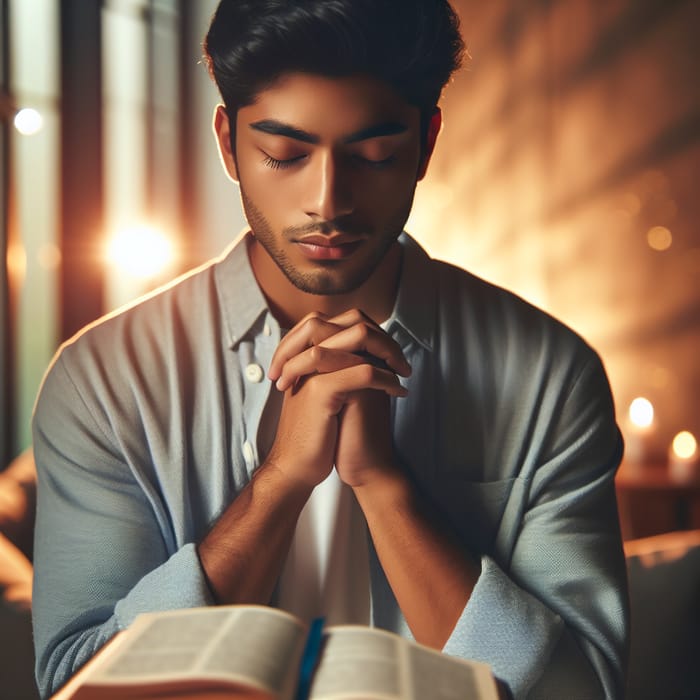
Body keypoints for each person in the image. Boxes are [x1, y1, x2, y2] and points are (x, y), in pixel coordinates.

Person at [31, 1, 629, 698]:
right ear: (227, 143)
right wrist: (279, 484)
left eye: (374, 155)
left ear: (426, 143)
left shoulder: (550, 376)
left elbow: (583, 691)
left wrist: (386, 487)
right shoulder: (104, 380)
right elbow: (76, 684)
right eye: (284, 154)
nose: (328, 201)